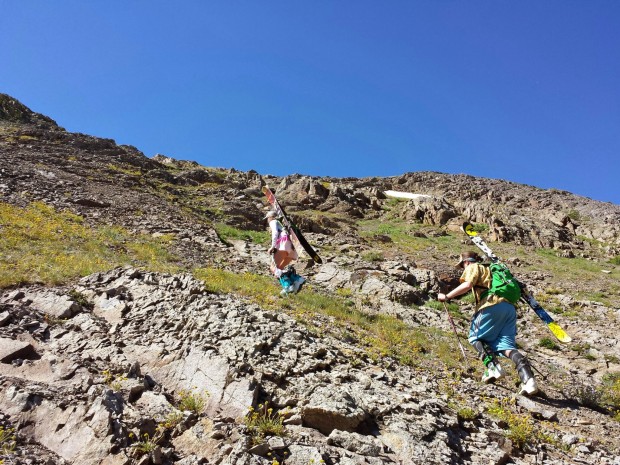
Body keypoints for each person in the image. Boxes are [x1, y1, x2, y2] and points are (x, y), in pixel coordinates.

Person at [438, 251, 538, 396]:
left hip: (490, 305)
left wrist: (447, 296)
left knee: (474, 337)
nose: (462, 269)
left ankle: (493, 368)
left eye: (462, 265)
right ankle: (529, 380)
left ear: (466, 262)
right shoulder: (493, 270)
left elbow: (467, 284)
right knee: (506, 347)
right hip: (509, 308)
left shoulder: (474, 267)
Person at [264, 210, 305, 295]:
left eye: (267, 218)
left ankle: (287, 286)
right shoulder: (283, 224)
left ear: (270, 217)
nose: (267, 220)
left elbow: (275, 233)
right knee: (280, 267)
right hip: (292, 246)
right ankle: (296, 280)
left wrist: (272, 246)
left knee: (273, 267)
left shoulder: (273, 221)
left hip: (283, 244)